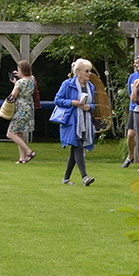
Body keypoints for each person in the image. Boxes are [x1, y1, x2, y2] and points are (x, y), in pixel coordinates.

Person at [53, 58, 97, 186]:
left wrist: (90, 107)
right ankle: (85, 177)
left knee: (75, 148)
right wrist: (72, 102)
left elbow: (93, 104)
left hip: (85, 121)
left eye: (90, 71)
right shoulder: (68, 84)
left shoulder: (91, 87)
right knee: (78, 145)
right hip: (71, 120)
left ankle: (66, 178)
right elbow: (58, 100)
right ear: (78, 72)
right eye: (87, 71)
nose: (89, 73)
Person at [6, 60, 38, 164]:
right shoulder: (32, 79)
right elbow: (27, 81)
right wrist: (20, 76)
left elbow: (13, 95)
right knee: (18, 133)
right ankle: (22, 158)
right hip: (29, 108)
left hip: (21, 109)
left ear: (22, 69)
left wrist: (15, 83)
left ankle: (29, 152)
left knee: (10, 133)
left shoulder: (20, 82)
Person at [122, 61, 139, 168]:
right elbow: (130, 92)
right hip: (133, 109)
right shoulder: (132, 77)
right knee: (130, 134)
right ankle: (130, 156)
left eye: (138, 63)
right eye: (135, 63)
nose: (136, 65)